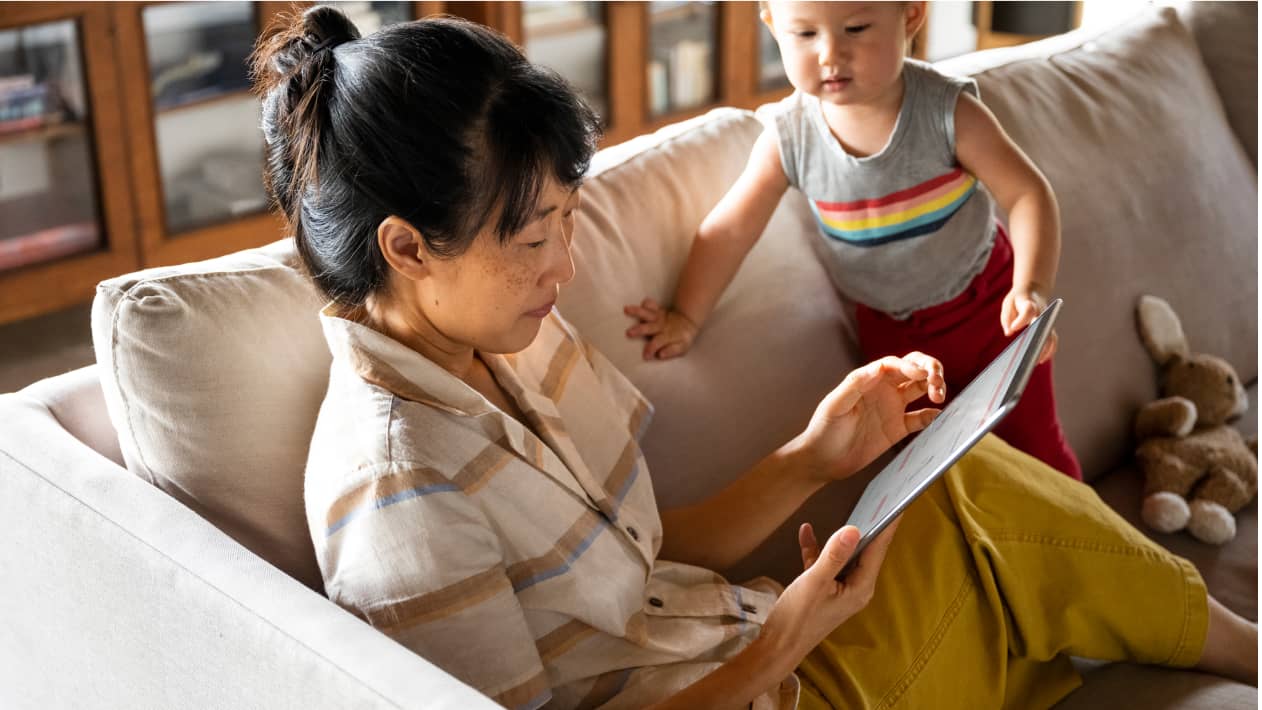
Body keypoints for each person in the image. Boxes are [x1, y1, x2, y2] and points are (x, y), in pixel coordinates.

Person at [252, 7, 1257, 709]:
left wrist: (814, 457)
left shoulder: (494, 337)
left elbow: (639, 559)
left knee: (961, 469)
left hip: (753, 649)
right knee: (993, 503)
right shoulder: (398, 487)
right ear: (405, 247)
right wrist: (786, 639)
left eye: (568, 219)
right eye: (533, 235)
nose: (566, 263)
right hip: (777, 683)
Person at [624, 1, 1083, 481]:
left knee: (1039, 453)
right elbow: (730, 230)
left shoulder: (947, 111)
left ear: (911, 15)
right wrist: (686, 316)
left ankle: (1086, 528)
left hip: (991, 312)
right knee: (931, 475)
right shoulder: (790, 137)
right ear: (773, 28)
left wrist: (1031, 288)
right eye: (805, 35)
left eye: (856, 28)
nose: (829, 54)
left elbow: (1027, 194)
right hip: (894, 342)